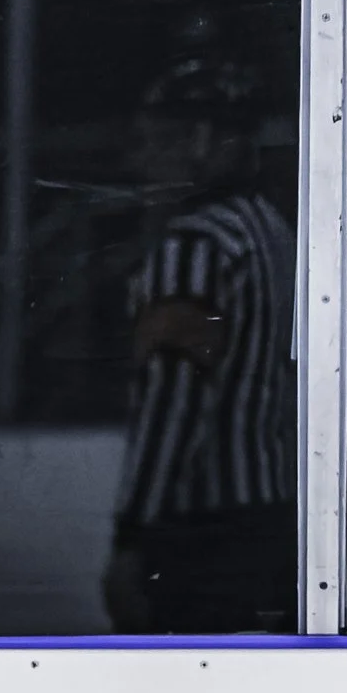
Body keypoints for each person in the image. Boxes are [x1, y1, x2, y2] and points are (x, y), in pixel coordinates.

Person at [107, 48, 295, 633]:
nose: (146, 159)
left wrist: (134, 534)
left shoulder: (196, 245)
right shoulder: (270, 228)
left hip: (201, 529)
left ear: (207, 140)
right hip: (270, 509)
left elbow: (175, 400)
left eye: (162, 138)